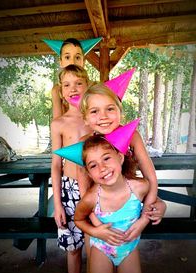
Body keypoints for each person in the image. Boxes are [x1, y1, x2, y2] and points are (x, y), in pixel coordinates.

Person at [78, 83, 166, 223]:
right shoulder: (84, 144)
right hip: (99, 208)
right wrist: (96, 224)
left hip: (130, 203)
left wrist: (144, 217)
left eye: (110, 109)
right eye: (95, 111)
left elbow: (150, 177)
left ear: (120, 111)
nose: (103, 116)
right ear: (85, 118)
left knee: (130, 240)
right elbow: (84, 191)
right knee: (93, 243)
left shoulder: (132, 136)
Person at [75, 134, 150, 273]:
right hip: (101, 248)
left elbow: (154, 202)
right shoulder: (91, 198)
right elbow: (78, 218)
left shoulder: (139, 187)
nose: (102, 167)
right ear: (90, 174)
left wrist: (162, 207)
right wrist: (95, 232)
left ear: (120, 158)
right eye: (93, 165)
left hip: (129, 248)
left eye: (106, 158)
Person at [51, 64, 92, 273]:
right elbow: (56, 165)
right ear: (61, 90)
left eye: (78, 83)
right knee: (73, 249)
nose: (73, 88)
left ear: (88, 86)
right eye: (66, 85)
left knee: (95, 246)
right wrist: (57, 204)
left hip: (94, 187)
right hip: (69, 190)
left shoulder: (94, 118)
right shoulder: (58, 123)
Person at [52, 38, 85, 119]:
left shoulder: (92, 86)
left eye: (77, 57)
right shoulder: (56, 90)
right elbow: (57, 122)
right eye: (67, 57)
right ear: (61, 62)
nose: (72, 62)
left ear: (83, 62)